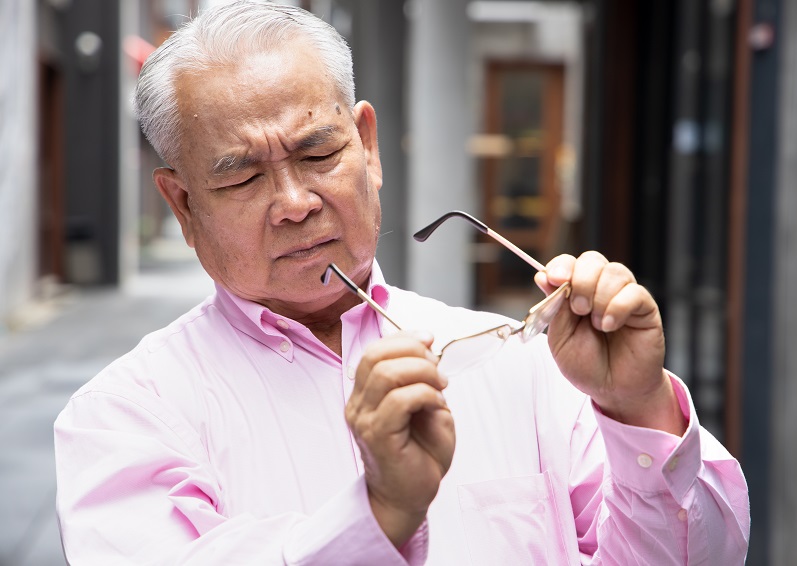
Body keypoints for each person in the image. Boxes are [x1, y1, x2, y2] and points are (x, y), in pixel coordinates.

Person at [54, 1, 750, 564]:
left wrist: (637, 407)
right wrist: (381, 514)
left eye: (318, 152)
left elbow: (705, 555)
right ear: (182, 205)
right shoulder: (126, 418)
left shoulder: (530, 367)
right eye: (242, 176)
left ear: (368, 146)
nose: (295, 201)